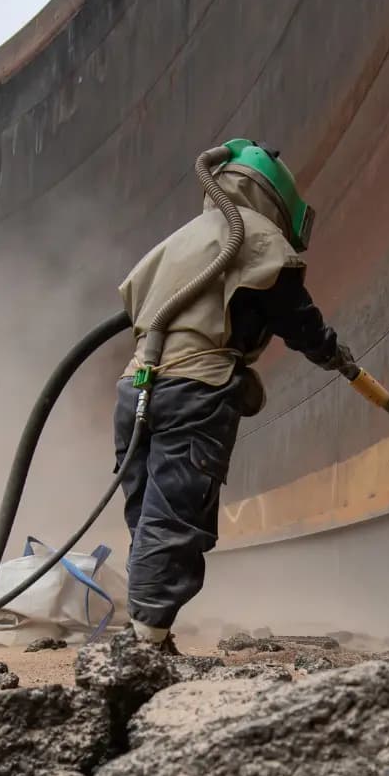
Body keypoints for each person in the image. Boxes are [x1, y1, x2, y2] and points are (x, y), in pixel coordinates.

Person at [113, 140, 353, 649]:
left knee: (147, 512)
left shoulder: (183, 240)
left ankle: (144, 633)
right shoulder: (258, 239)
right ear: (277, 200)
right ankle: (143, 649)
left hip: (136, 387)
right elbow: (297, 317)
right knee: (175, 513)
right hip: (193, 390)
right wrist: (334, 354)